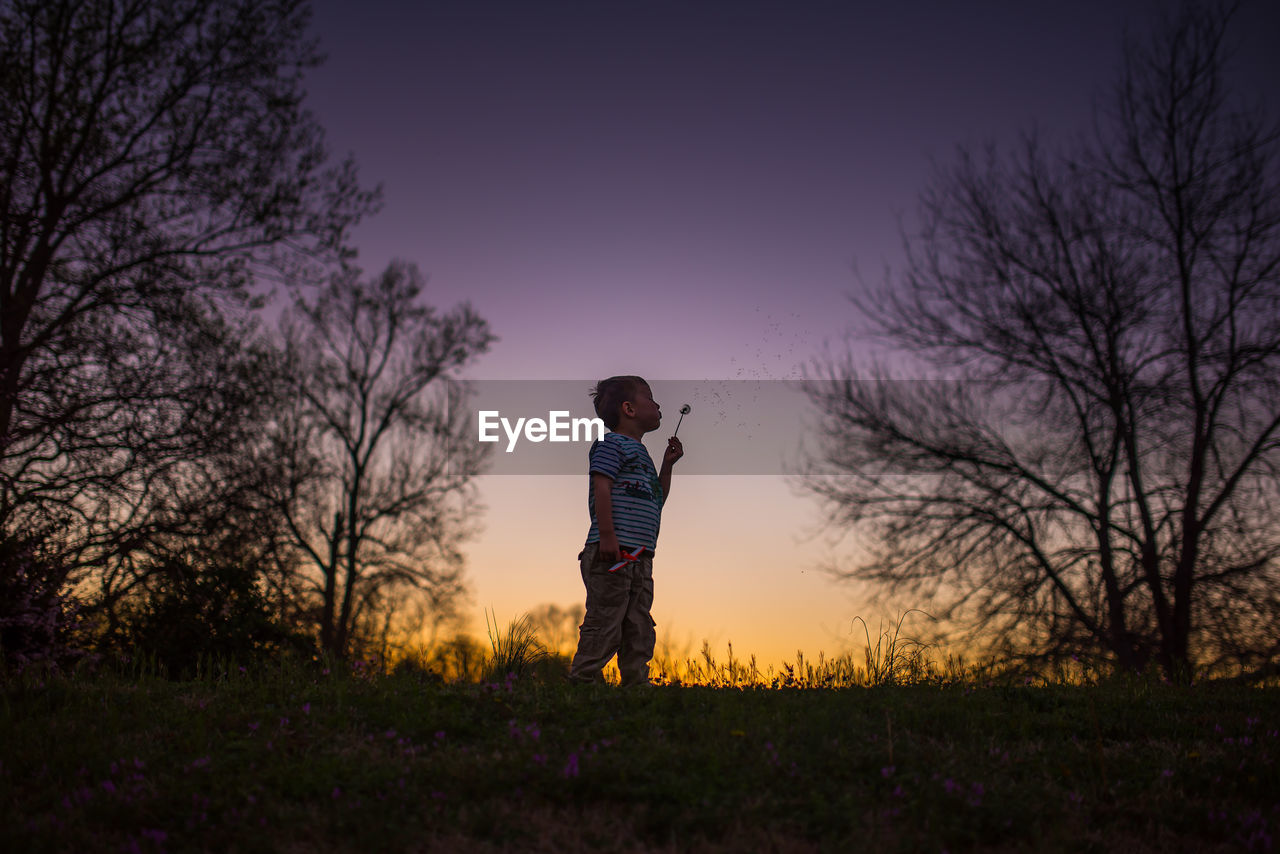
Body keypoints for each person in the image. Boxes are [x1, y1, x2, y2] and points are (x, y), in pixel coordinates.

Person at [569, 376, 683, 686]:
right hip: (613, 553)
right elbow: (601, 486)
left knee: (638, 625)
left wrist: (667, 466)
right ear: (629, 409)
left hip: (640, 556)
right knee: (606, 620)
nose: (658, 404)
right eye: (650, 398)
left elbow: (656, 498)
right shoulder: (611, 444)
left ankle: (635, 685)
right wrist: (607, 534)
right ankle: (584, 680)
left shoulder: (642, 455)